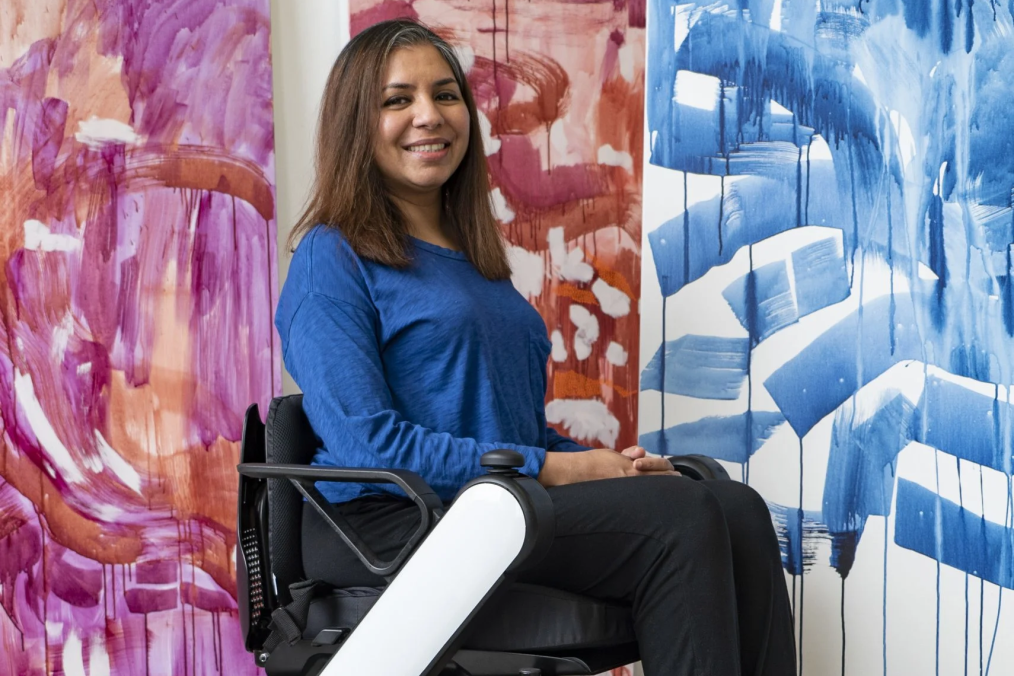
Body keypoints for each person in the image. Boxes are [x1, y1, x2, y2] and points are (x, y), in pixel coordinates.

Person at [274, 18, 796, 676]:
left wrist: (602, 464)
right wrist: (560, 471)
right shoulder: (333, 259)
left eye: (445, 94)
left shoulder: (476, 266)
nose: (429, 116)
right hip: (387, 519)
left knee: (736, 509)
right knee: (681, 516)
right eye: (396, 100)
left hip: (486, 505)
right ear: (356, 122)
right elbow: (366, 444)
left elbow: (505, 433)